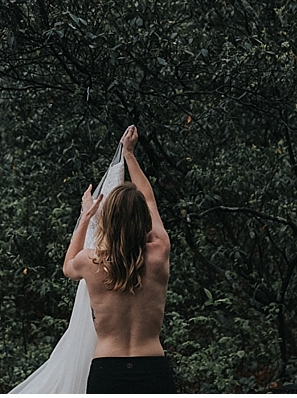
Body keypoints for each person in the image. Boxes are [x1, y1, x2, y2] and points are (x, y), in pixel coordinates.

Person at [63, 125, 176, 393]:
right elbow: (148, 198)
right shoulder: (159, 252)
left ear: (108, 220)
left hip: (107, 370)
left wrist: (86, 217)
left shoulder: (91, 262)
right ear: (143, 220)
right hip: (153, 370)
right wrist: (130, 154)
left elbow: (68, 267)